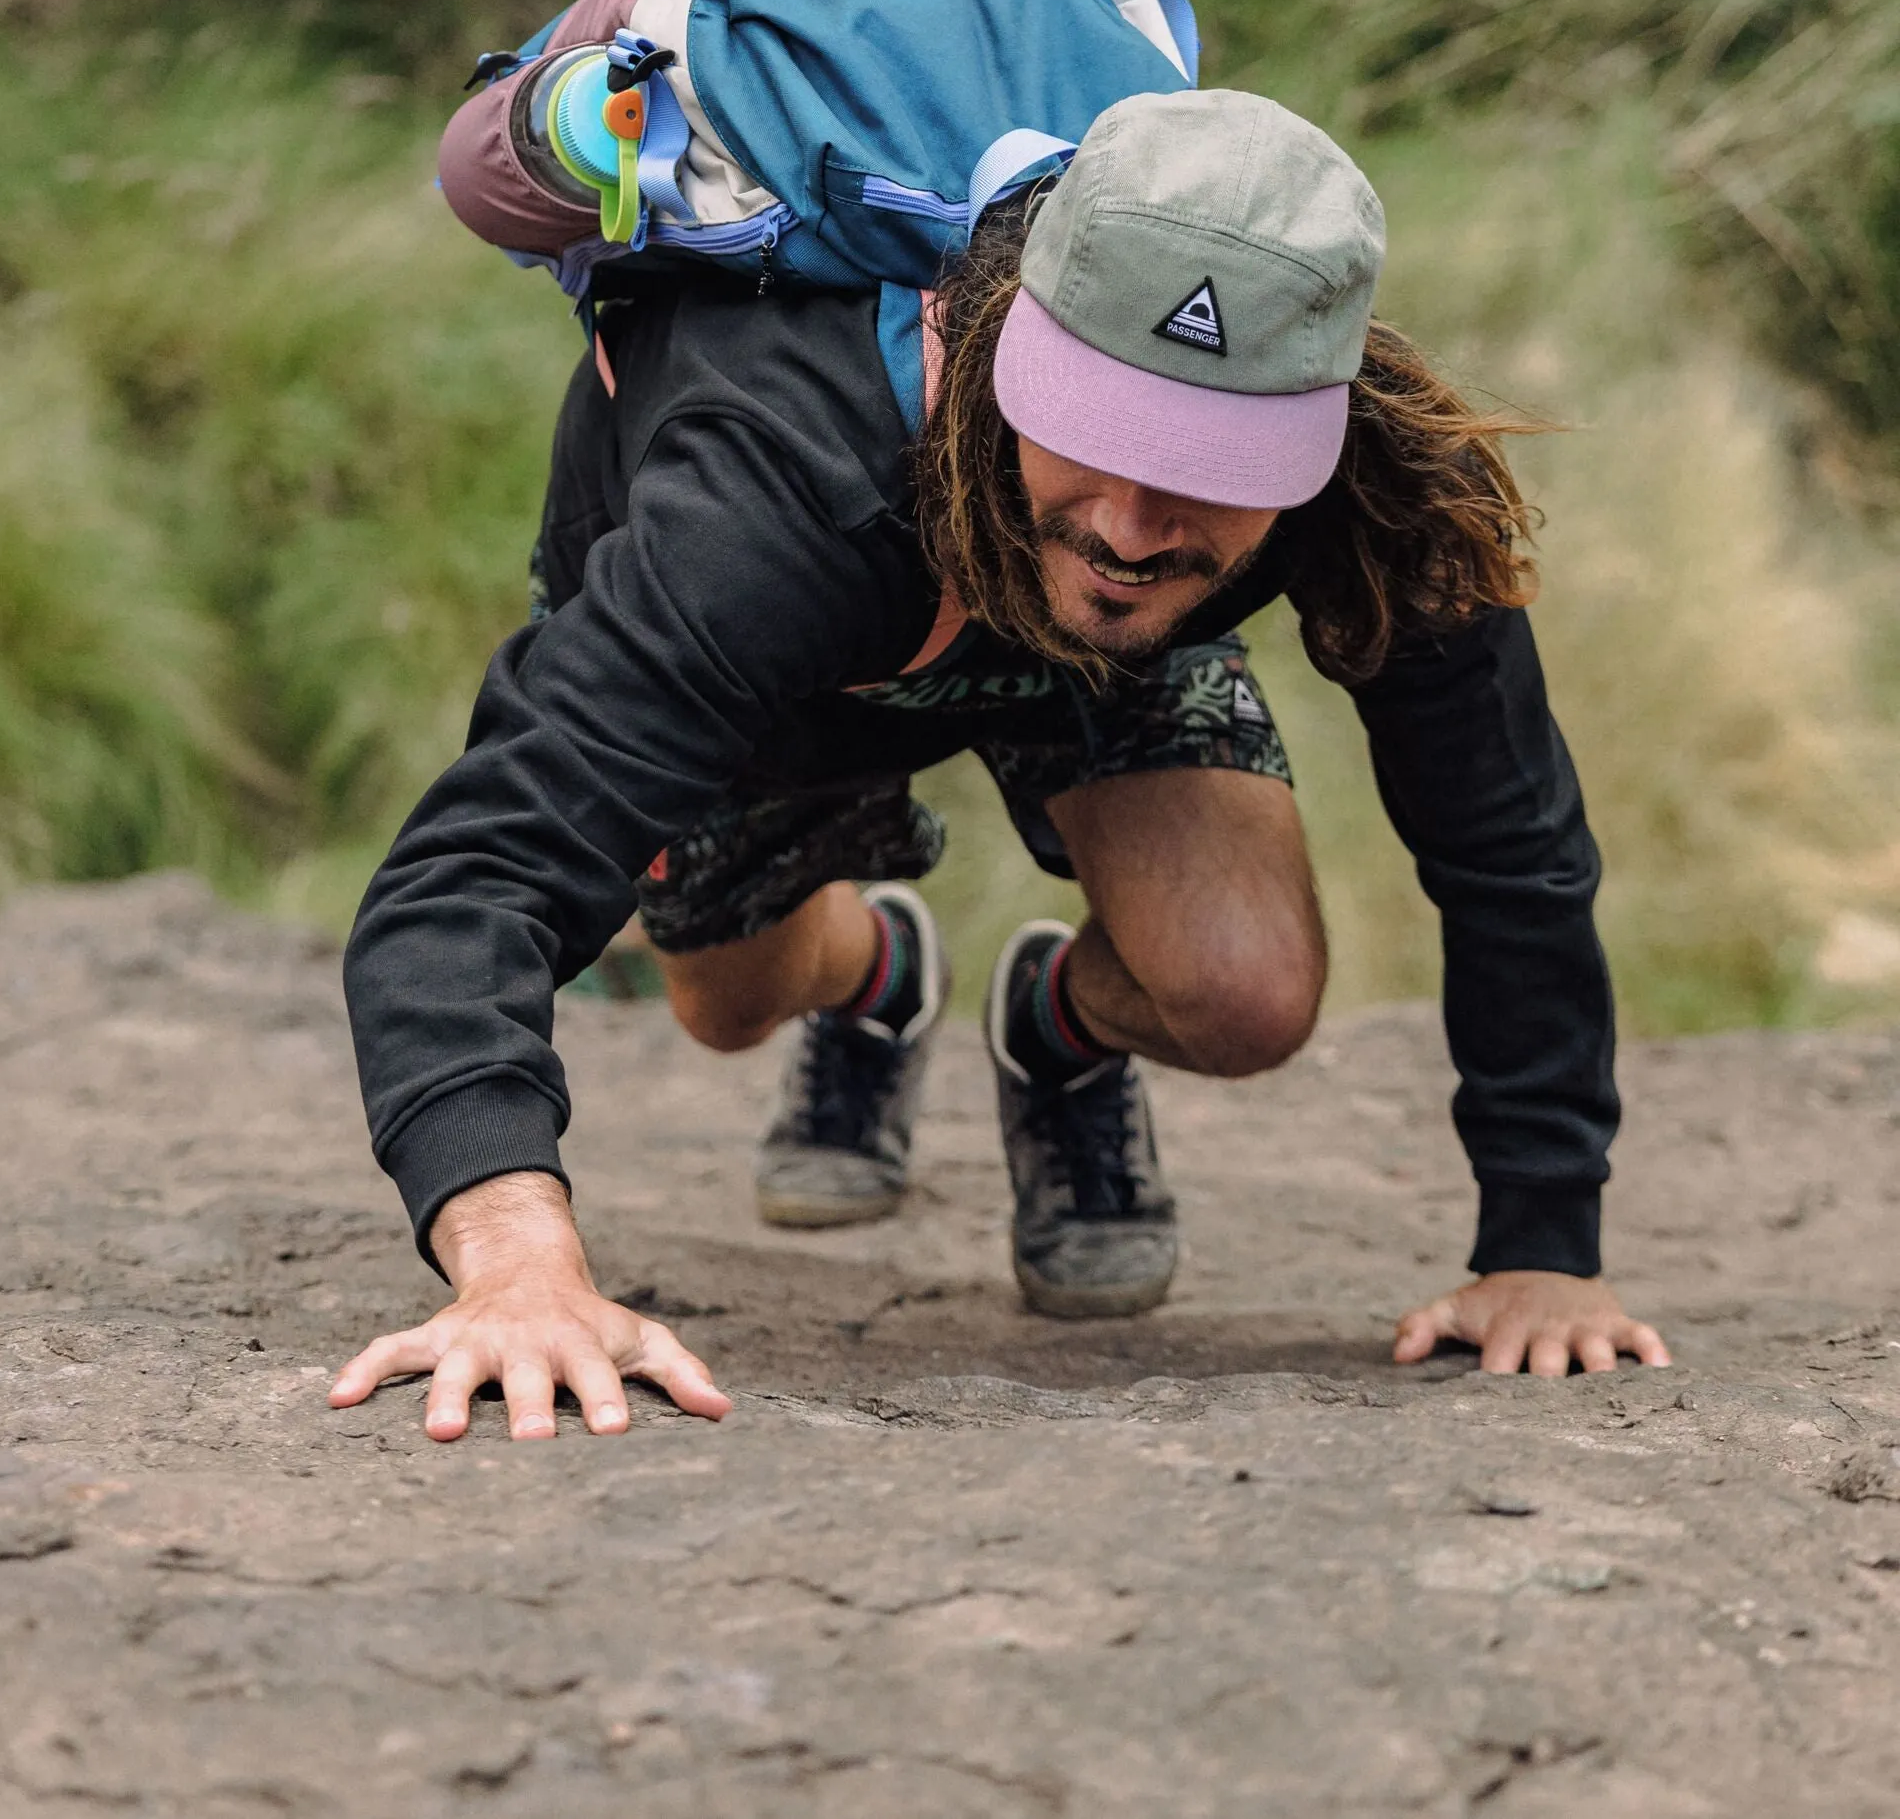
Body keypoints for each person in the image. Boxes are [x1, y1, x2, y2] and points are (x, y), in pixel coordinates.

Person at [330, 90, 1670, 1443]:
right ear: (1014, 336)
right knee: (728, 1004)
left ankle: (1058, 1027)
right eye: (1101, 426)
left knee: (1245, 990)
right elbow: (472, 876)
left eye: (1210, 464)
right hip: (810, 659)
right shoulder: (769, 499)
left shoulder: (1375, 489)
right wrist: (515, 1264)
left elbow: (1509, 845)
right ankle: (876, 974)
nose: (1138, 523)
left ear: (1318, 424)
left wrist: (1543, 1247)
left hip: (1110, 663)